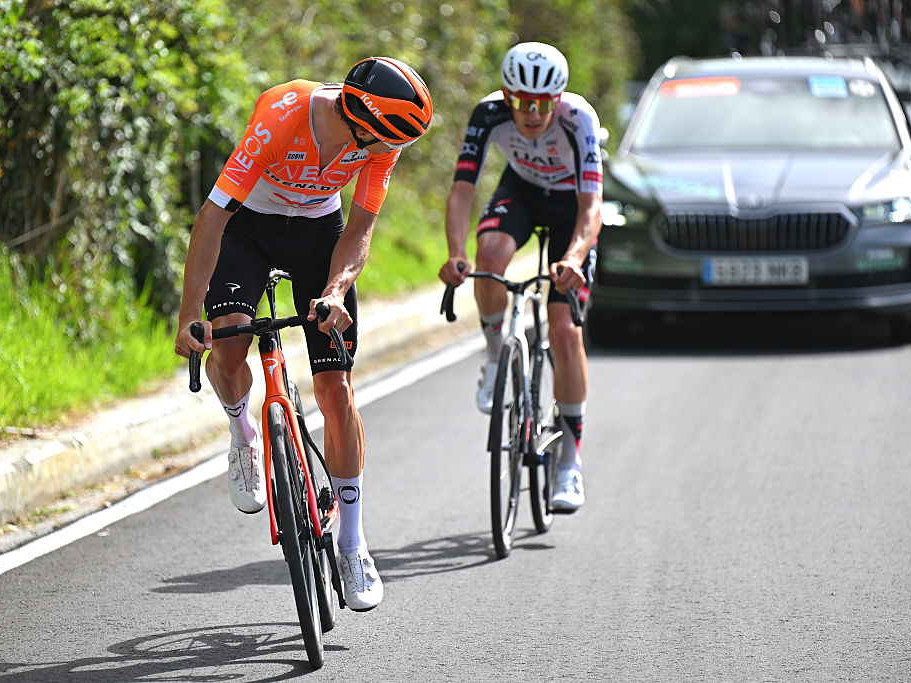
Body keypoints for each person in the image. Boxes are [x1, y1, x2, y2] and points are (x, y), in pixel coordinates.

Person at [174, 57, 433, 611]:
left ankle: (353, 540)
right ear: (362, 115)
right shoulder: (283, 115)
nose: (387, 151)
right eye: (387, 139)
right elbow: (214, 217)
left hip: (319, 232)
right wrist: (188, 310)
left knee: (336, 391)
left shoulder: (380, 141)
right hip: (249, 227)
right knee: (228, 343)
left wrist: (336, 290)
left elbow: (360, 228)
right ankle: (243, 431)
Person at [438, 42, 601, 512]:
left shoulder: (579, 120)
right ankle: (494, 357)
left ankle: (570, 463)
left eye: (542, 103)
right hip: (524, 191)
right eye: (521, 101)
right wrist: (454, 253)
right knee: (488, 256)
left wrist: (572, 256)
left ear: (558, 98)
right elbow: (462, 190)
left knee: (565, 332)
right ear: (506, 95)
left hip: (572, 205)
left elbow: (592, 209)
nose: (531, 113)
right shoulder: (489, 113)